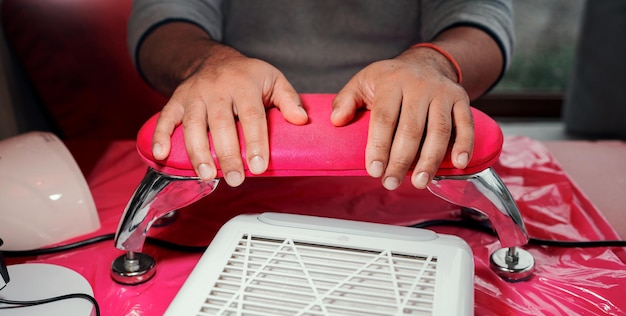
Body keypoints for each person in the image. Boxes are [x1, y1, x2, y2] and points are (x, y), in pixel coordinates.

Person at [128, 0, 514, 190]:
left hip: (406, 150)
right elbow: (163, 16)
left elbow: (481, 20)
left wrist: (433, 64)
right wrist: (208, 63)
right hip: (233, 149)